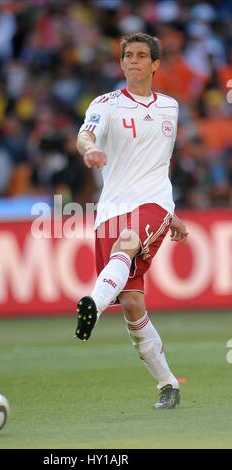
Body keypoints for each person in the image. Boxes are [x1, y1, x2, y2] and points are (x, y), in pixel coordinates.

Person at [75, 32, 188, 409]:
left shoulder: (170, 108)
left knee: (127, 241)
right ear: (121, 63)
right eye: (129, 55)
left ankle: (92, 302)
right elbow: (85, 136)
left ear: (155, 64)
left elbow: (157, 167)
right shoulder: (105, 104)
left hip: (152, 204)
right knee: (133, 304)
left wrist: (168, 213)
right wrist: (90, 150)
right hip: (111, 208)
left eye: (142, 56)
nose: (134, 61)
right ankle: (168, 384)